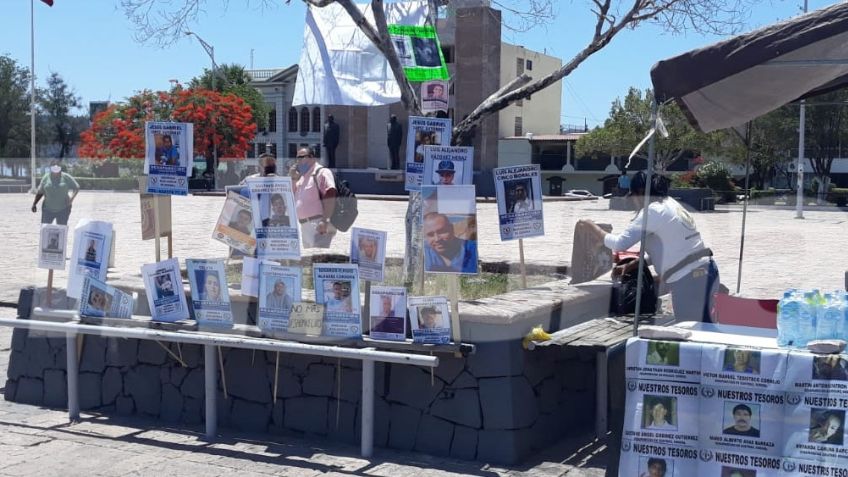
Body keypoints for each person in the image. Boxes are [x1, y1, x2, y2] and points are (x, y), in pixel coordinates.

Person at [577, 171, 720, 322]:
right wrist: (634, 264)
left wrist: (590, 226)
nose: (632, 201)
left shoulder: (653, 210)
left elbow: (620, 243)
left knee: (694, 333)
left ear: (640, 192)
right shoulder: (670, 203)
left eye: (633, 195)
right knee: (704, 328)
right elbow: (668, 249)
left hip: (690, 280)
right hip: (705, 271)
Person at [291, 147, 337, 248]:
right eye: (297, 158)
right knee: (309, 261)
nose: (298, 161)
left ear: (312, 158)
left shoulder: (322, 172)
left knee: (318, 258)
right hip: (304, 225)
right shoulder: (303, 176)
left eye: (301, 157)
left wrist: (324, 220)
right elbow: (292, 196)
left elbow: (331, 194)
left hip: (317, 223)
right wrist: (294, 178)